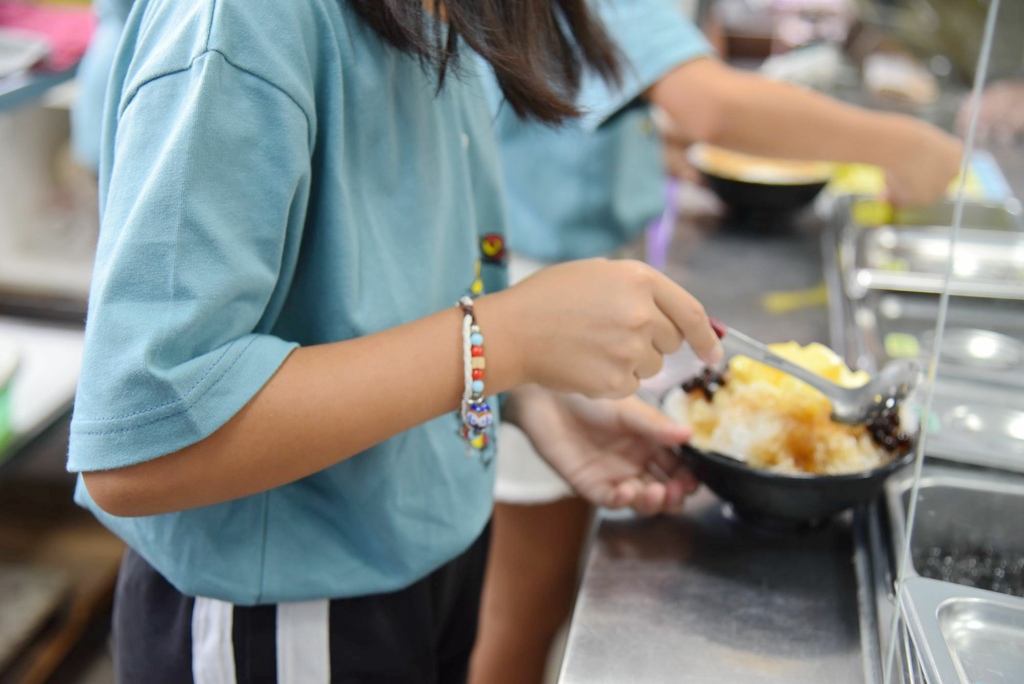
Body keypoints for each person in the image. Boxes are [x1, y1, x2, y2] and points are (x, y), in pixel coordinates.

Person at [67, 0, 728, 681]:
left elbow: (391, 300)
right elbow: (141, 452)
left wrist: (525, 396)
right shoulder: (247, 19)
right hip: (291, 600)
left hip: (421, 558)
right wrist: (508, 338)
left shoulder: (443, 16)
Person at [469, 2, 963, 682]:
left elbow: (583, 92)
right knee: (527, 594)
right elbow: (707, 104)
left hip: (555, 272)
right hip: (531, 287)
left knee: (539, 582)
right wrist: (906, 143)